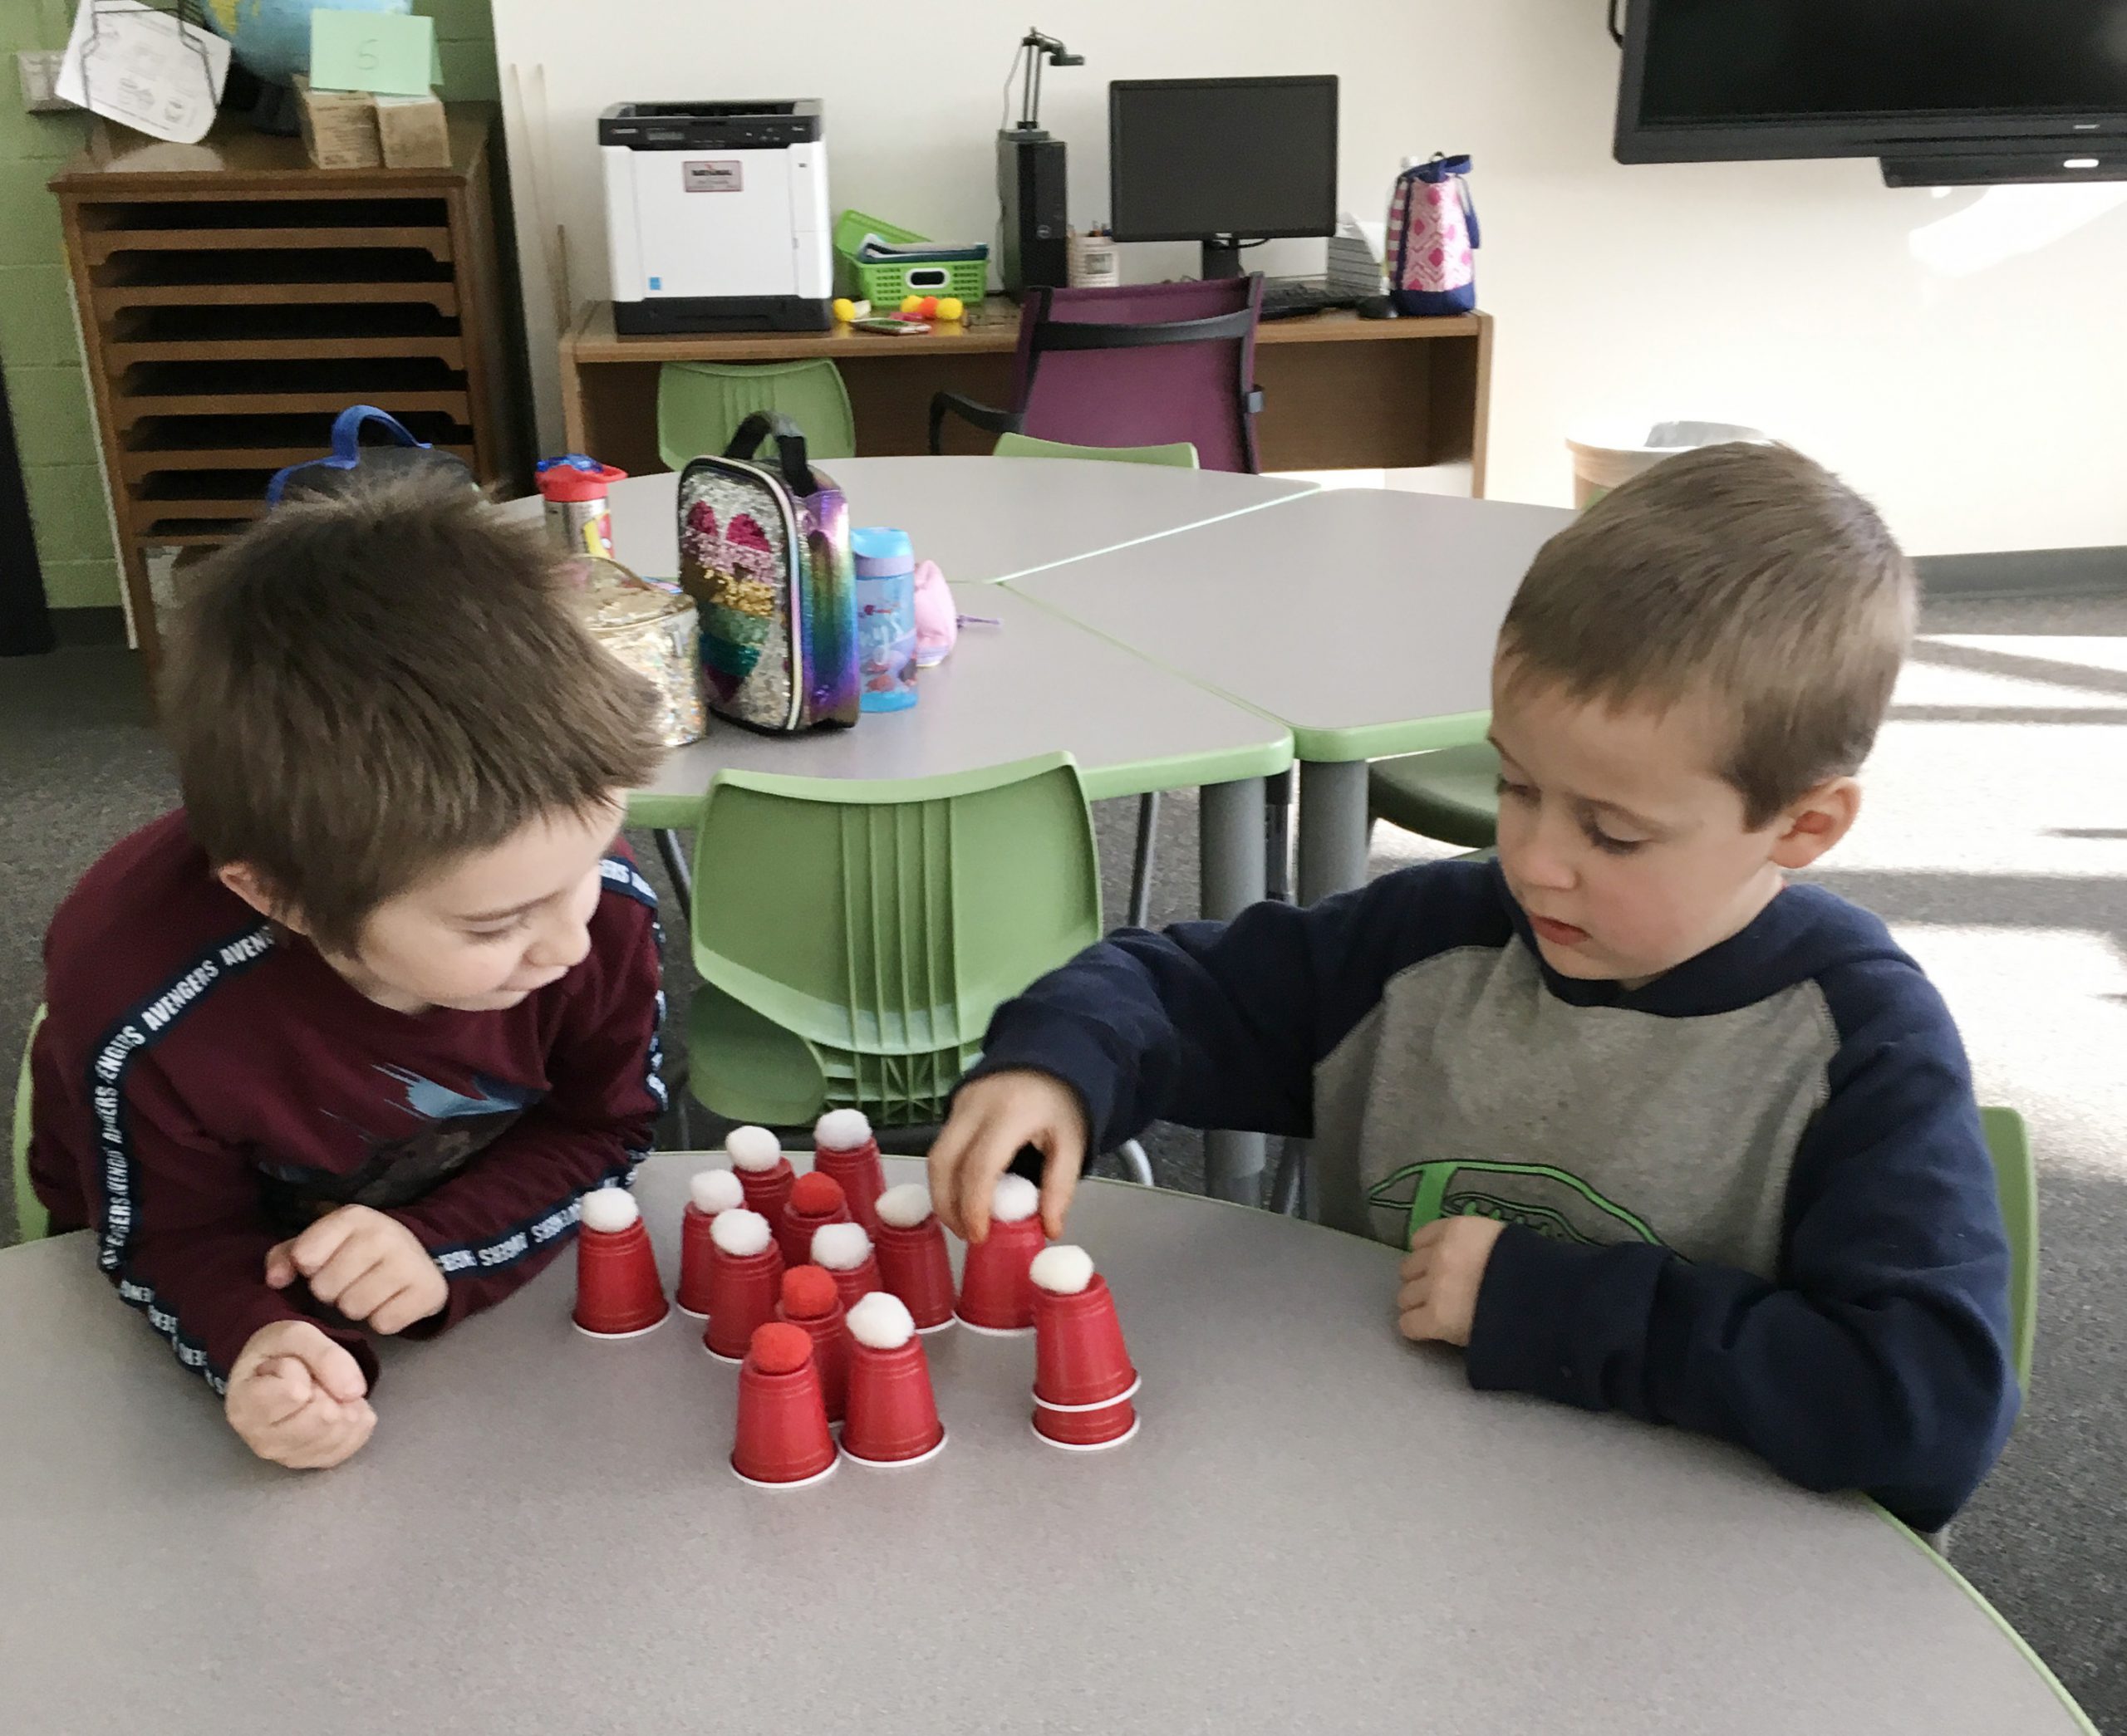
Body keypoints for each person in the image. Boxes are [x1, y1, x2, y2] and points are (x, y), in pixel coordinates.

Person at [929, 443, 2018, 1531]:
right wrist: (1060, 1063)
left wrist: (1552, 1307)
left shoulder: (1857, 1046)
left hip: (1679, 1572)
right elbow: (1178, 989)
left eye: (1613, 830)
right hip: (1390, 1510)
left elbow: (1927, 1410)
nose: (1537, 859)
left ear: (1803, 824)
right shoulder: (1429, 942)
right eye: (1516, 783)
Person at [28, 475, 669, 1471]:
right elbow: (164, 1236)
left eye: (589, 864)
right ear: (278, 896)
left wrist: (440, 1244)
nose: (567, 945)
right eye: (495, 923)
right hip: (210, 1244)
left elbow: (610, 1122)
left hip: (461, 1264)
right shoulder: (145, 1005)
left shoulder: (598, 907)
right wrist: (259, 1341)